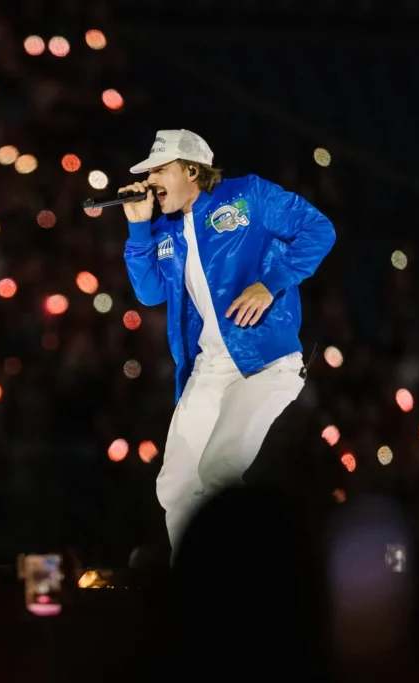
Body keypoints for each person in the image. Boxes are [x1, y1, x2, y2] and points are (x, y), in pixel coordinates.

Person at [120, 129, 335, 556]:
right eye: (147, 171)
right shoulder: (164, 229)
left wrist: (270, 283)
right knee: (175, 482)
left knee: (218, 469)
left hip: (266, 362)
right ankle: (193, 582)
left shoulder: (249, 195)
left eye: (160, 169)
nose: (150, 179)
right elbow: (148, 292)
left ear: (192, 171)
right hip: (210, 366)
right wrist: (138, 229)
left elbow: (319, 229)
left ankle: (241, 577)